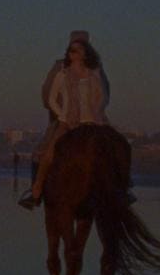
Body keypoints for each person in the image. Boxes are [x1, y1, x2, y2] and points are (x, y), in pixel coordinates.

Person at [19, 34, 108, 210]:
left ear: (86, 51)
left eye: (77, 49)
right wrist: (63, 116)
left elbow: (104, 96)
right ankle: (36, 191)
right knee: (46, 152)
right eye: (71, 49)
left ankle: (123, 189)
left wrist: (96, 113)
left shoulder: (95, 71)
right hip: (66, 121)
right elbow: (50, 97)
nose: (72, 52)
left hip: (93, 120)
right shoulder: (61, 70)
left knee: (115, 148)